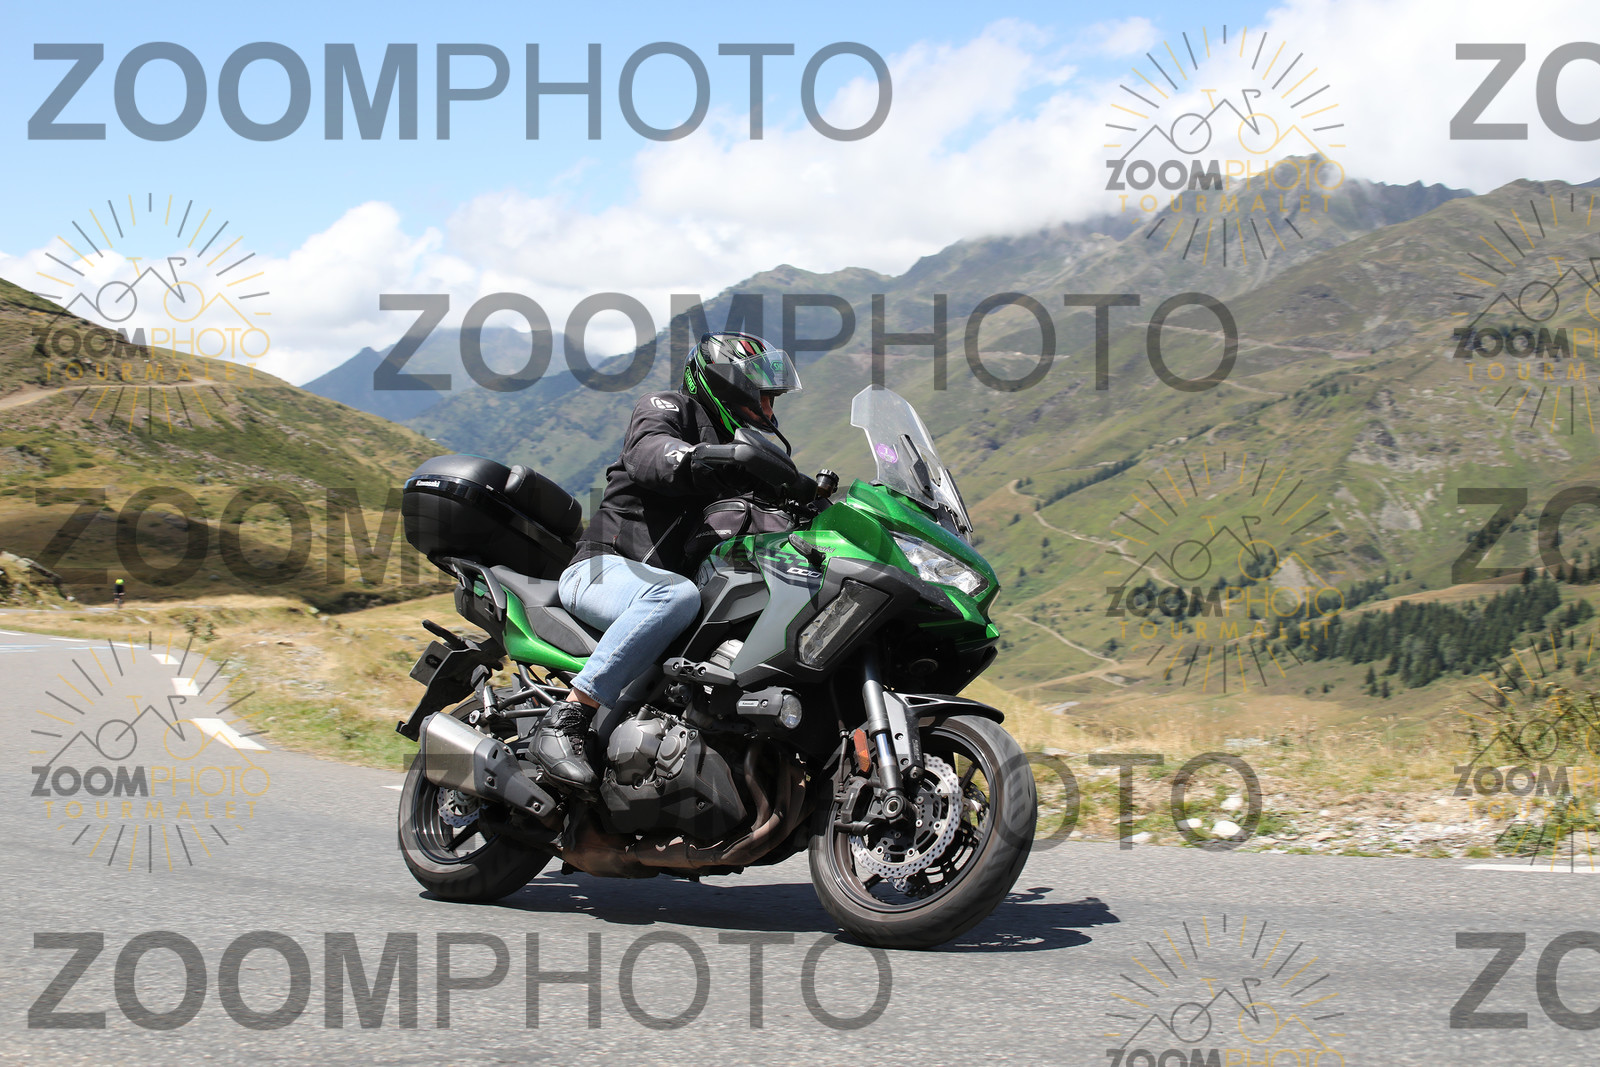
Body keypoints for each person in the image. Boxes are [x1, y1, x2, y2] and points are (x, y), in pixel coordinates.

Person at [530, 332, 802, 792]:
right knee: (675, 594)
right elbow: (648, 453)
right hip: (599, 568)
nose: (768, 409)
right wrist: (699, 456)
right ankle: (568, 716)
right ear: (728, 385)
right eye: (762, 396)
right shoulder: (669, 409)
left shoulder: (743, 456)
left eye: (772, 399)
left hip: (665, 593)